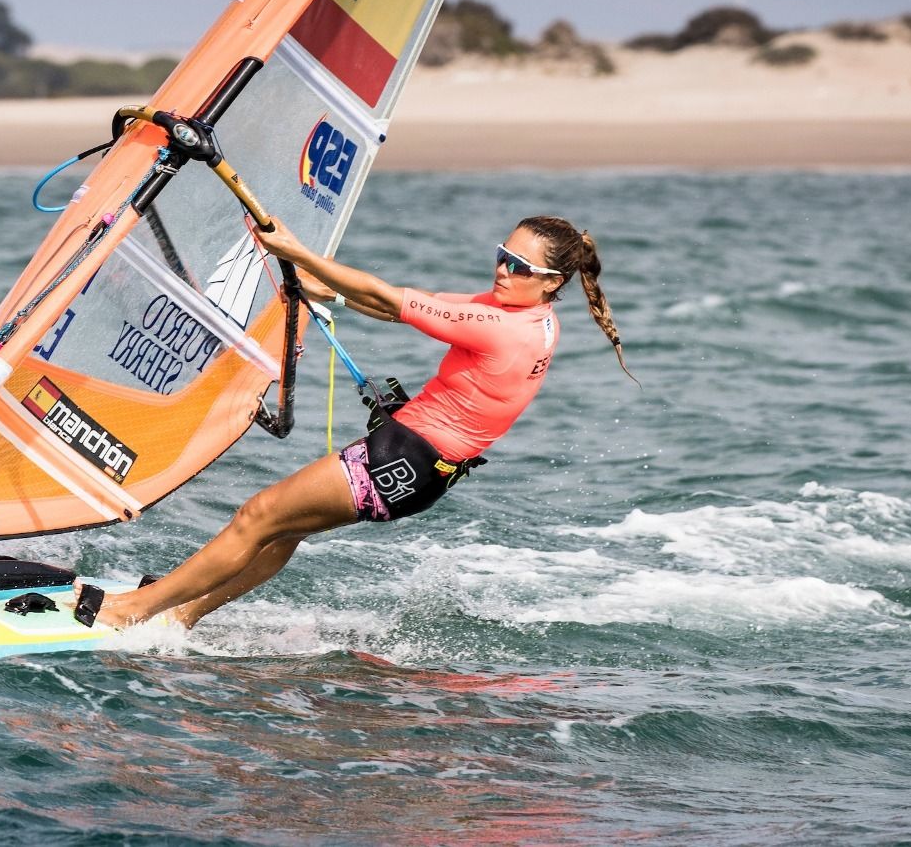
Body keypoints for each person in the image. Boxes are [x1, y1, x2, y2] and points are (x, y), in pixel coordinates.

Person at [80, 214, 632, 630]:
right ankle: (185, 615)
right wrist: (327, 291)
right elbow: (409, 303)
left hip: (402, 458)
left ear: (553, 281)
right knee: (283, 531)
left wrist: (295, 251)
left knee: (260, 514)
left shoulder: (501, 327)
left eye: (519, 267)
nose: (502, 270)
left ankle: (134, 609)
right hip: (422, 470)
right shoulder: (532, 319)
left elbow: (389, 299)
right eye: (501, 255)